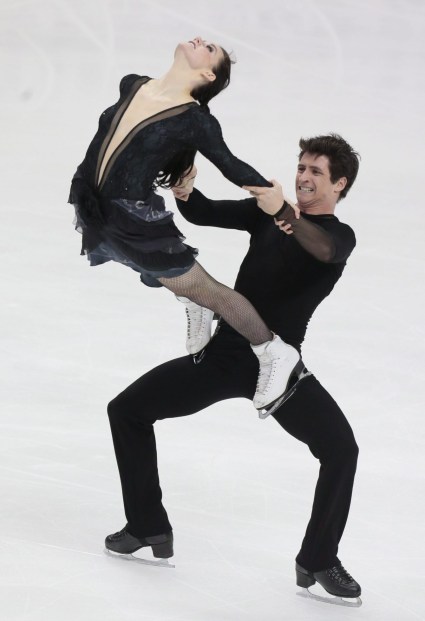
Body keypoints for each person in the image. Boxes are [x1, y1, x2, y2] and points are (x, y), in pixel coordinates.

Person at [105, 133, 362, 605]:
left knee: (341, 449)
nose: (304, 177)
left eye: (316, 172)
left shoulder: (336, 237)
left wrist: (283, 211)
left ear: (339, 184)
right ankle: (147, 526)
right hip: (226, 357)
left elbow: (321, 249)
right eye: (301, 167)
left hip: (279, 366)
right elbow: (201, 212)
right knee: (127, 410)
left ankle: (319, 559)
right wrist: (184, 191)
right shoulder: (265, 218)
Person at [68, 36, 302, 412]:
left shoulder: (196, 120)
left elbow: (230, 164)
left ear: (207, 74)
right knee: (152, 269)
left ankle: (272, 350)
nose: (202, 41)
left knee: (207, 290)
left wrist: (274, 201)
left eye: (210, 49)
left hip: (133, 219)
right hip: (97, 207)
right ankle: (194, 302)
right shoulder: (133, 84)